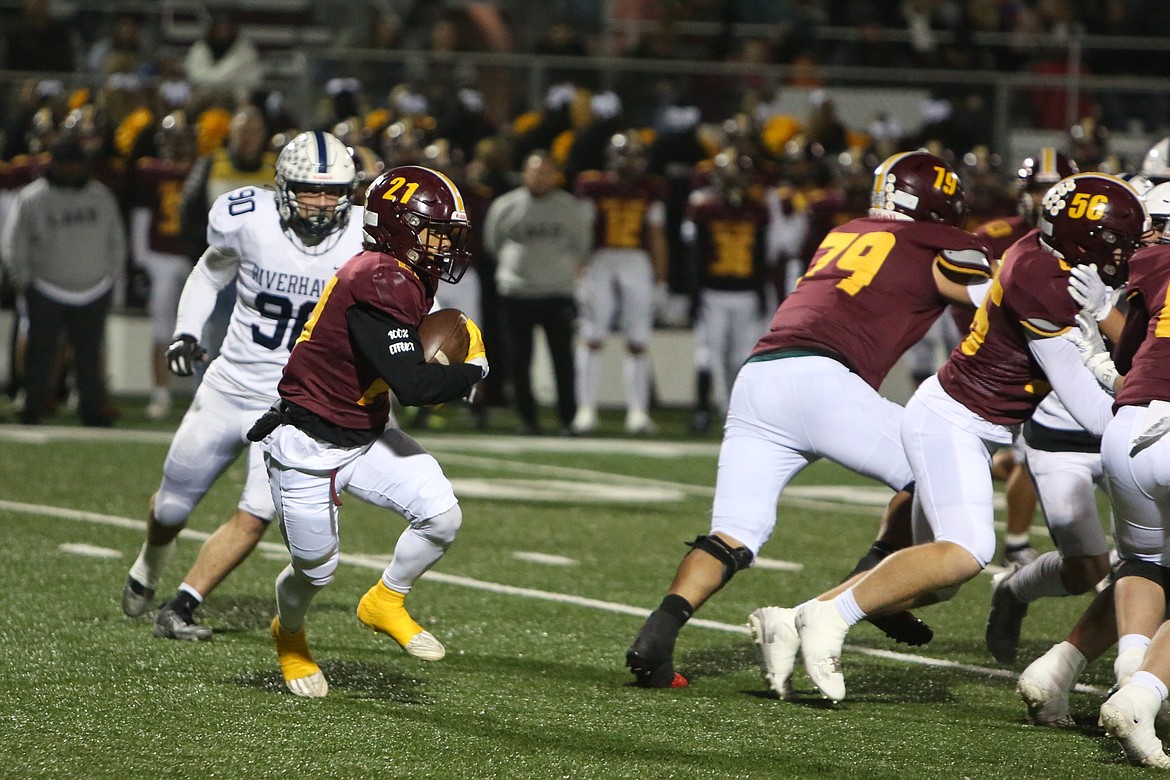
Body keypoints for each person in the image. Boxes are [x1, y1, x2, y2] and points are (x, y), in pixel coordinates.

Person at [760, 172, 1147, 704]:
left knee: (937, 581)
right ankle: (830, 619)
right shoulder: (1042, 277)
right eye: (1117, 242)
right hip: (955, 419)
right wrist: (1141, 406)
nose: (1124, 254)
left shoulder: (1045, 256)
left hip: (964, 421)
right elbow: (1086, 405)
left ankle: (793, 618)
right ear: (1085, 240)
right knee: (966, 550)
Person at [625, 151, 994, 689]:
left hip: (759, 376)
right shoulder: (940, 243)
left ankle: (657, 636)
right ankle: (868, 589)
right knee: (934, 470)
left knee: (736, 531)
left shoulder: (845, 231)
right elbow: (999, 300)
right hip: (826, 380)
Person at [254, 165, 488, 698]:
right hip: (308, 440)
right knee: (314, 572)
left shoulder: (405, 272)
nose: (443, 245)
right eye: (435, 231)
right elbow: (414, 383)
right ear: (400, 227)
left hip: (364, 430)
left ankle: (386, 599)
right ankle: (288, 635)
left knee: (442, 517)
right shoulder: (377, 278)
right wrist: (473, 369)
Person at [120, 131, 362, 640]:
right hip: (231, 386)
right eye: (309, 190)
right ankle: (149, 561)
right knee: (170, 508)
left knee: (256, 515)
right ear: (282, 187)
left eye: (333, 191)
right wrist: (187, 331)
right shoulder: (248, 218)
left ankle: (183, 605)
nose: (321, 203)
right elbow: (209, 275)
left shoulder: (364, 237)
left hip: (297, 403)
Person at [1, 134, 125, 427]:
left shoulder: (101, 196)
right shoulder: (32, 197)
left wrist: (112, 276)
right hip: (45, 286)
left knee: (88, 355)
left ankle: (92, 410)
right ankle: (32, 406)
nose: (72, 170)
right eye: (66, 164)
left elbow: (117, 239)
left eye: (77, 163)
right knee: (39, 353)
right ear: (54, 164)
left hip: (94, 287)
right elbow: (13, 240)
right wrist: (21, 276)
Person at [483, 150, 592, 434]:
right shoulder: (506, 206)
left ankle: (568, 418)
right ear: (524, 173)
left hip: (557, 292)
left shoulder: (570, 207)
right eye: (534, 171)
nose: (540, 178)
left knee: (563, 360)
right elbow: (492, 242)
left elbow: (583, 245)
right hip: (517, 291)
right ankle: (528, 419)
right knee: (520, 360)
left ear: (555, 175)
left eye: (546, 172)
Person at [571, 129, 669, 435]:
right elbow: (583, 230)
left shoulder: (652, 189)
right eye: (626, 155)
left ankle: (638, 411)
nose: (632, 162)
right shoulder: (593, 185)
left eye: (636, 156)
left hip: (636, 261)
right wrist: (580, 270)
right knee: (592, 335)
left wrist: (661, 279)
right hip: (601, 259)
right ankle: (585, 408)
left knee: (639, 339)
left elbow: (657, 236)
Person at [681, 148, 771, 434]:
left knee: (740, 357)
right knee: (708, 354)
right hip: (714, 292)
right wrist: (695, 294)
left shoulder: (758, 211)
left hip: (745, 292)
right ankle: (701, 411)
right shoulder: (704, 209)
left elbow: (762, 256)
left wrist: (760, 292)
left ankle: (738, 413)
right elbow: (695, 255)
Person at [130, 110, 197, 420]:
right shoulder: (150, 171)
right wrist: (140, 261)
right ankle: (161, 394)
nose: (177, 145)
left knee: (205, 330)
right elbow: (141, 216)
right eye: (173, 138)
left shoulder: (203, 170)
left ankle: (203, 396)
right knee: (161, 329)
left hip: (196, 256)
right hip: (160, 256)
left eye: (182, 138)